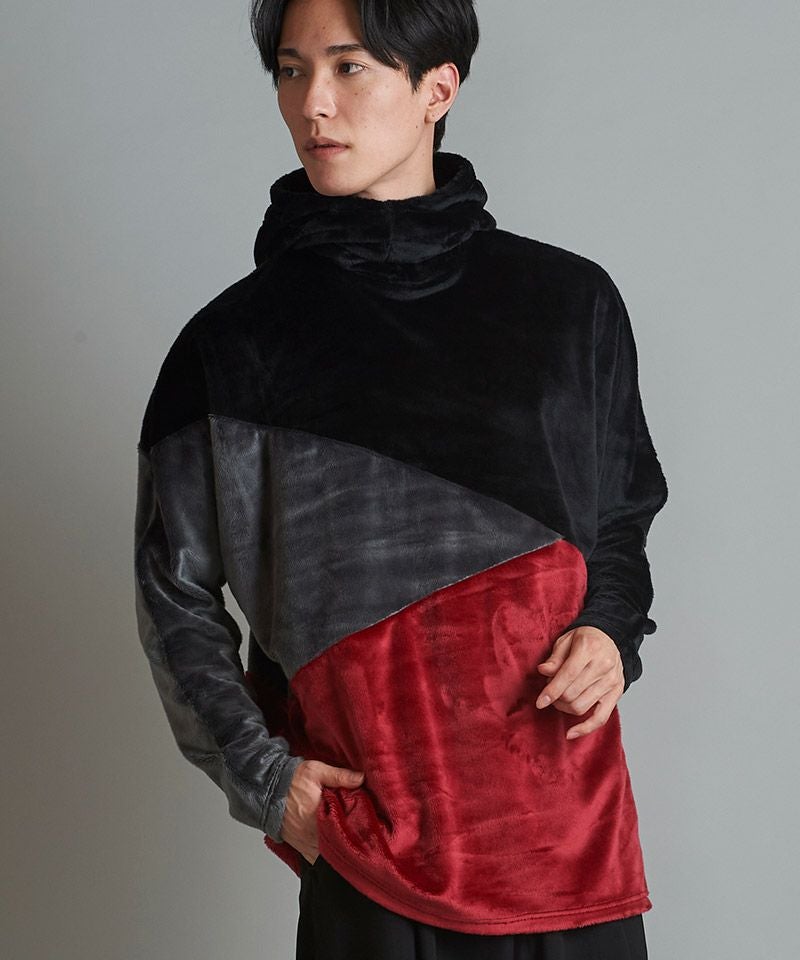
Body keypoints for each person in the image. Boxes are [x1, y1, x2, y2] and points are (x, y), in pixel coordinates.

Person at [133, 0, 669, 956]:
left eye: (348, 67)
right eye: (291, 71)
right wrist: (263, 777)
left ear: (438, 87)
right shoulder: (231, 346)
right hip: (373, 862)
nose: (313, 104)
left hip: (572, 852)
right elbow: (172, 595)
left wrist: (610, 630)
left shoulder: (569, 304)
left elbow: (621, 514)